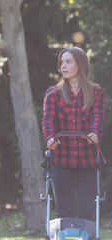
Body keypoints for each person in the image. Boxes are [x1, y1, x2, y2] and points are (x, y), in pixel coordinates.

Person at [42, 46, 105, 221]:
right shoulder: (53, 93)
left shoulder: (96, 92)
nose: (63, 66)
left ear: (81, 64)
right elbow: (48, 120)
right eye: (62, 62)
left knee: (87, 211)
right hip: (61, 159)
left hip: (87, 159)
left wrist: (95, 133)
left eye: (68, 62)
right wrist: (50, 138)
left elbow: (98, 117)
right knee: (64, 211)